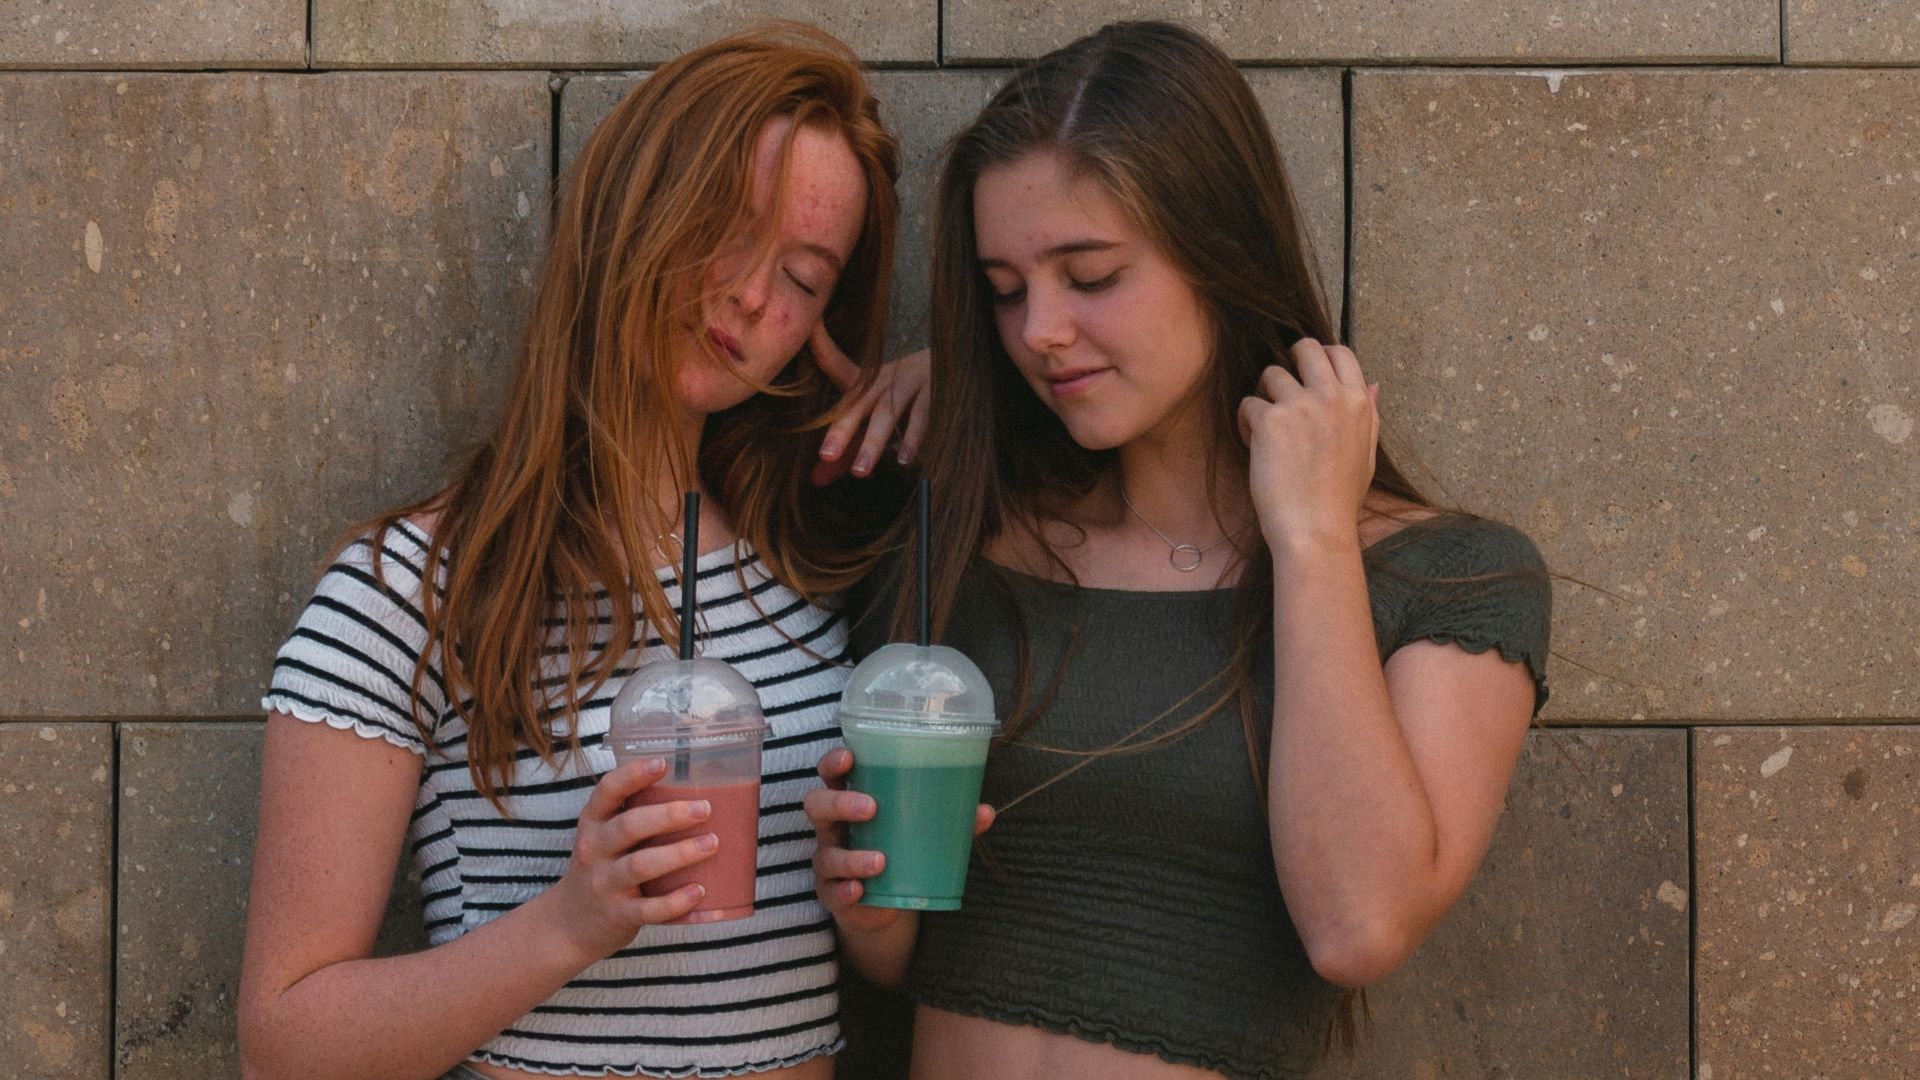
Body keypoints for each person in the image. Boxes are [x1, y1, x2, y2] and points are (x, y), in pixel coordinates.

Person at [808, 21, 1552, 1080]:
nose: (1040, 332)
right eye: (1007, 291)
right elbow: (907, 958)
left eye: (1092, 274)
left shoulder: (1449, 579)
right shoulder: (960, 542)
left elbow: (1359, 926)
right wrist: (865, 906)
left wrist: (1311, 536)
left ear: (1220, 254)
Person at [237, 22, 927, 1080]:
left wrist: (954, 392)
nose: (755, 296)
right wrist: (569, 922)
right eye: (731, 232)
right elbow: (286, 1044)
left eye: (804, 276)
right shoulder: (407, 593)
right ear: (632, 211)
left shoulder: (827, 569)